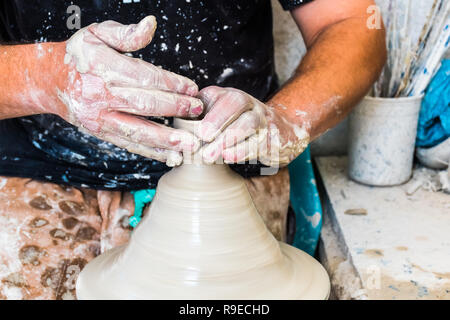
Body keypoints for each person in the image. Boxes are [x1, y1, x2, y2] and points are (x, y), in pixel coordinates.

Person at [0, 0, 386, 299]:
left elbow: (353, 24)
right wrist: (44, 76)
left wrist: (286, 119)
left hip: (234, 176)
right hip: (40, 169)